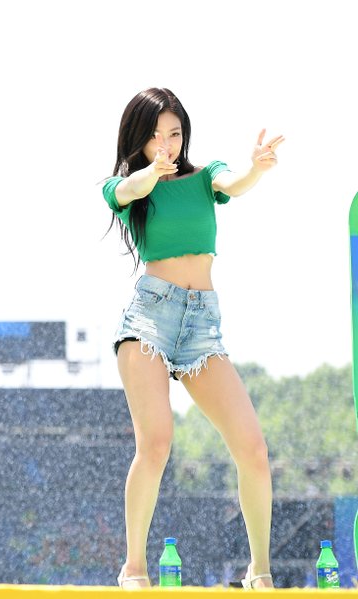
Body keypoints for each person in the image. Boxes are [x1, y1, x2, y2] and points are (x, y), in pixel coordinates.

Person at [104, 87, 283, 589]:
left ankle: (259, 571)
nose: (167, 143)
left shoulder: (205, 176)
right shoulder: (128, 186)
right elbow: (129, 189)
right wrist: (151, 171)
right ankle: (134, 566)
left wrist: (255, 169)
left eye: (175, 133)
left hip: (203, 324)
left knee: (253, 448)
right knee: (156, 443)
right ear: (139, 140)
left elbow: (233, 183)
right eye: (156, 135)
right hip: (149, 320)